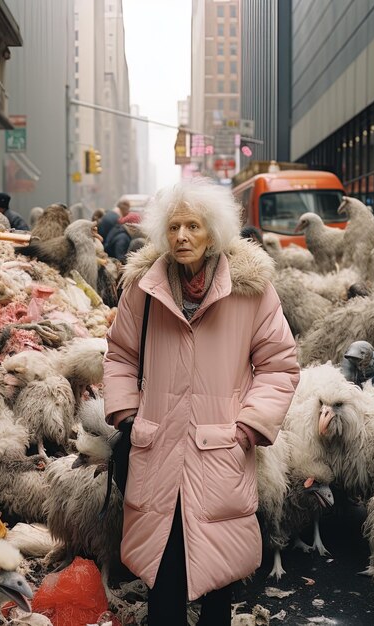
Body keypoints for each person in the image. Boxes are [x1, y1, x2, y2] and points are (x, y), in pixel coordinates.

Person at [103, 179, 300, 626]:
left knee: (217, 579)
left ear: (213, 231)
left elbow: (279, 365)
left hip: (220, 452)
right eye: (173, 227)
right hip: (158, 449)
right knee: (163, 574)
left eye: (193, 226)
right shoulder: (144, 288)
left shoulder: (251, 291)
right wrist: (129, 413)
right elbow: (119, 354)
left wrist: (249, 427)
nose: (182, 237)